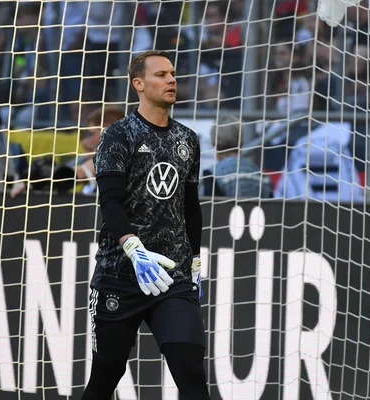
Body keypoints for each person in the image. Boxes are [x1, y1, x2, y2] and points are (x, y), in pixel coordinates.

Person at [81, 50, 209, 399]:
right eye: (161, 75)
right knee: (106, 375)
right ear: (138, 84)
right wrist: (133, 248)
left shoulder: (188, 139)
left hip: (172, 275)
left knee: (191, 371)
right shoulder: (118, 135)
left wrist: (195, 261)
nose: (171, 80)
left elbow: (190, 205)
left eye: (172, 74)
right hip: (120, 274)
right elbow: (109, 200)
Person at [202, 115, 274, 198]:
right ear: (241, 141)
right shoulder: (264, 177)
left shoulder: (212, 175)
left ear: (213, 142)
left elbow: (209, 209)